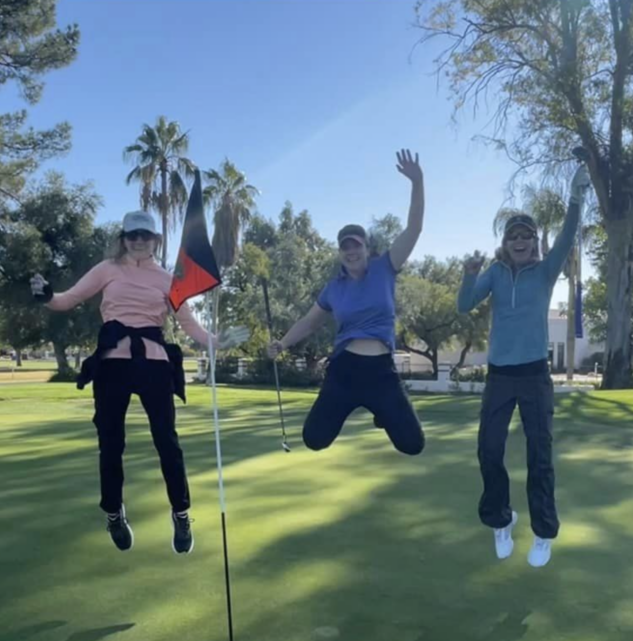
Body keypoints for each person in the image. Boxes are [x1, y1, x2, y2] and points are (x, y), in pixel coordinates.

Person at [31, 210, 247, 555]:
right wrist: (46, 296)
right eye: (133, 235)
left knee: (167, 443)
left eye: (145, 236)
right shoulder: (106, 269)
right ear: (123, 238)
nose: (139, 241)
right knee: (111, 442)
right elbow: (67, 299)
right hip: (113, 363)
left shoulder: (167, 278)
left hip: (154, 363)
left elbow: (189, 325)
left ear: (155, 240)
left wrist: (217, 340)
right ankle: (114, 514)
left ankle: (181, 513)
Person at [457, 162, 591, 568]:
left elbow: (568, 234)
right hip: (499, 376)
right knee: (489, 450)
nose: (519, 241)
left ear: (534, 242)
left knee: (540, 455)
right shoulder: (496, 274)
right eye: (512, 236)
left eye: (525, 236)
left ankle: (543, 533)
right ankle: (501, 520)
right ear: (505, 242)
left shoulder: (545, 271)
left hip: (534, 374)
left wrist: (576, 194)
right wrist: (468, 276)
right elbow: (465, 306)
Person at [267, 150, 425, 455]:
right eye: (345, 247)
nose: (351, 252)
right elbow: (310, 322)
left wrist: (417, 181)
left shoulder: (385, 267)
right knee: (314, 439)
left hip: (381, 371)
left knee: (413, 445)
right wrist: (282, 344)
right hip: (344, 371)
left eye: (356, 246)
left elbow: (414, 228)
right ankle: (369, 406)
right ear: (340, 252)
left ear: (367, 248)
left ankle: (382, 411)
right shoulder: (334, 288)